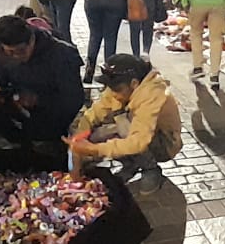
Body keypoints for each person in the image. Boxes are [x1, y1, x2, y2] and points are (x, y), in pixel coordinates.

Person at [67, 54, 183, 195]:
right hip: (137, 130)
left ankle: (151, 169)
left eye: (117, 89)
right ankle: (131, 164)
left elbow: (138, 141)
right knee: (96, 131)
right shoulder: (121, 87)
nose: (113, 93)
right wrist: (79, 140)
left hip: (165, 143)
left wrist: (96, 150)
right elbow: (93, 115)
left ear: (134, 83)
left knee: (121, 129)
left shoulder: (153, 94)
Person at [0, 15, 85, 153]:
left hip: (49, 110)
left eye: (21, 51)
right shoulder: (0, 50)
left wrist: (38, 100)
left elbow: (74, 100)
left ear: (32, 40)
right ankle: (20, 141)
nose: (16, 56)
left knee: (43, 134)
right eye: (10, 52)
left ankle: (44, 142)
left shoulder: (61, 54)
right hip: (16, 100)